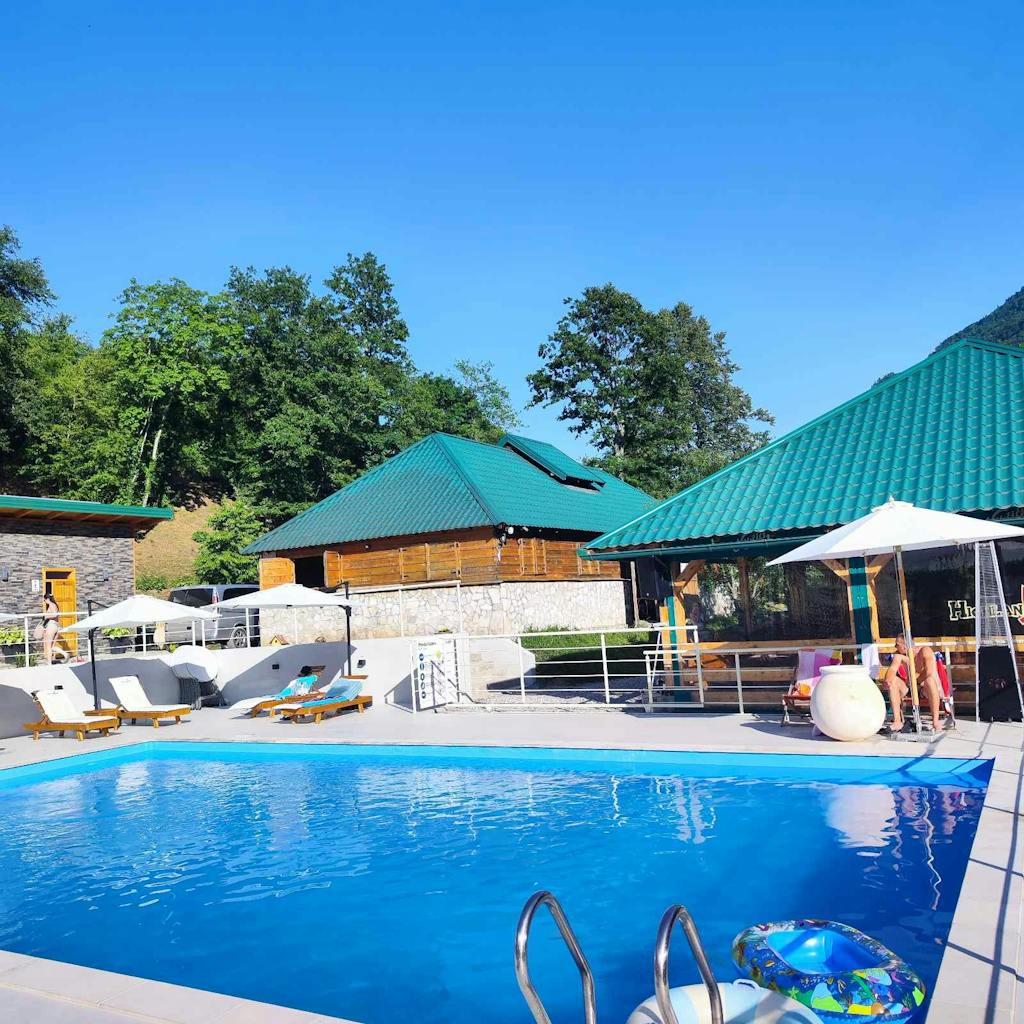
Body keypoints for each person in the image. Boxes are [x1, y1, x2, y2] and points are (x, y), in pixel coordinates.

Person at [883, 633, 942, 733]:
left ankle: (935, 722)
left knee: (930, 680)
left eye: (897, 644)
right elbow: (892, 669)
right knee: (893, 681)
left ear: (904, 645)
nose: (895, 647)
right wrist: (887, 680)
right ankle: (897, 721)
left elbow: (929, 671)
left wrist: (917, 681)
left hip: (925, 687)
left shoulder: (924, 651)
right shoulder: (899, 655)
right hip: (909, 687)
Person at [41, 588, 62, 665]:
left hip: (52, 626)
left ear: (47, 599)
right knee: (52, 645)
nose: (45, 601)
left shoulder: (51, 605)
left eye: (44, 600)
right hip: (56, 625)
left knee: (48, 645)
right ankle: (53, 659)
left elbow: (55, 615)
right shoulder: (55, 605)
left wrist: (46, 616)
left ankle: (49, 662)